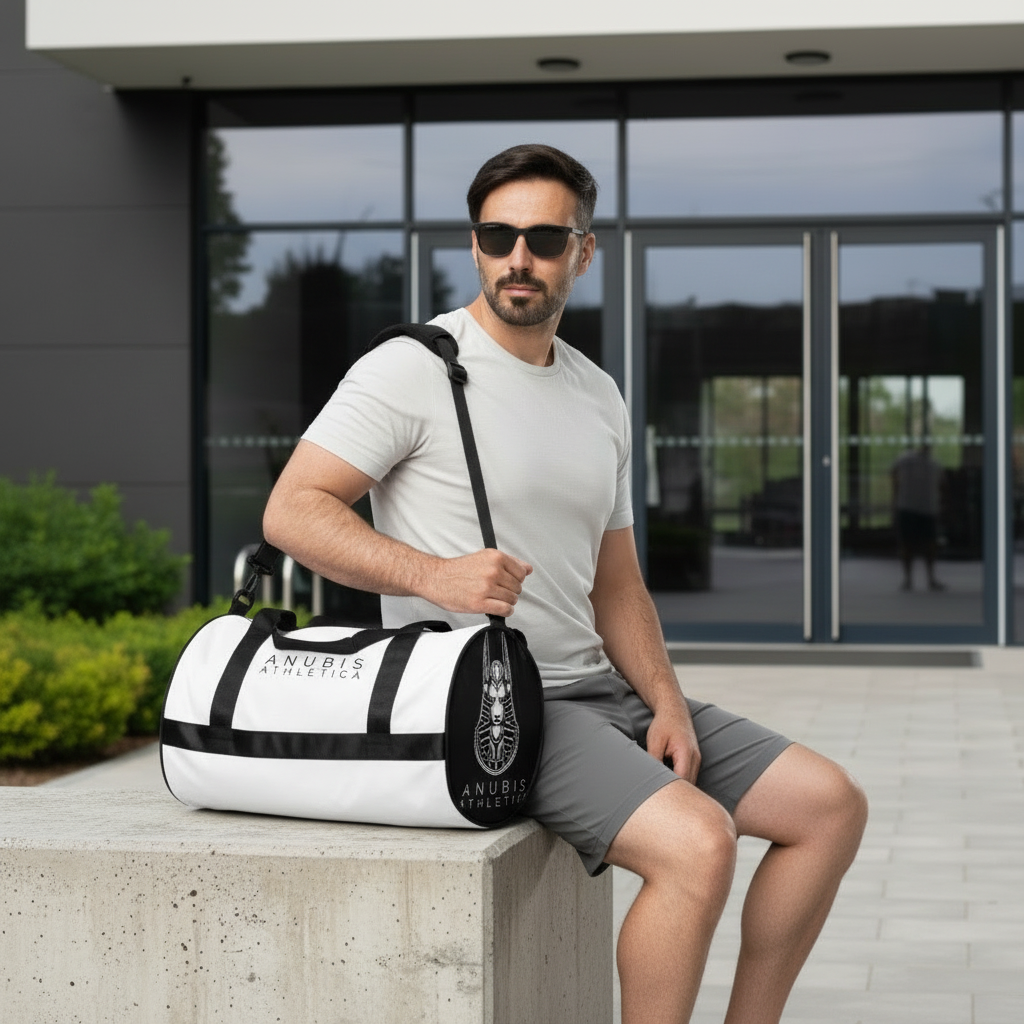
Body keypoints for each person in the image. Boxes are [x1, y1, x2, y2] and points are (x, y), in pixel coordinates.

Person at [263, 144, 868, 1024]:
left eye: (545, 238)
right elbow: (292, 511)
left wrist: (663, 698)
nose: (519, 257)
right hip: (496, 702)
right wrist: (435, 574)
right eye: (498, 235)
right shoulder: (414, 367)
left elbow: (616, 582)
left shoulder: (598, 394)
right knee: (698, 844)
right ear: (474, 246)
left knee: (829, 807)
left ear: (582, 253)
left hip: (602, 689)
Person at [891, 443, 945, 591]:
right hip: (919, 508)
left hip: (919, 508)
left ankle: (916, 578)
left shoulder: (932, 464)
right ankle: (917, 578)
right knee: (916, 544)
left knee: (920, 544)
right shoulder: (910, 461)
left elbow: (894, 474)